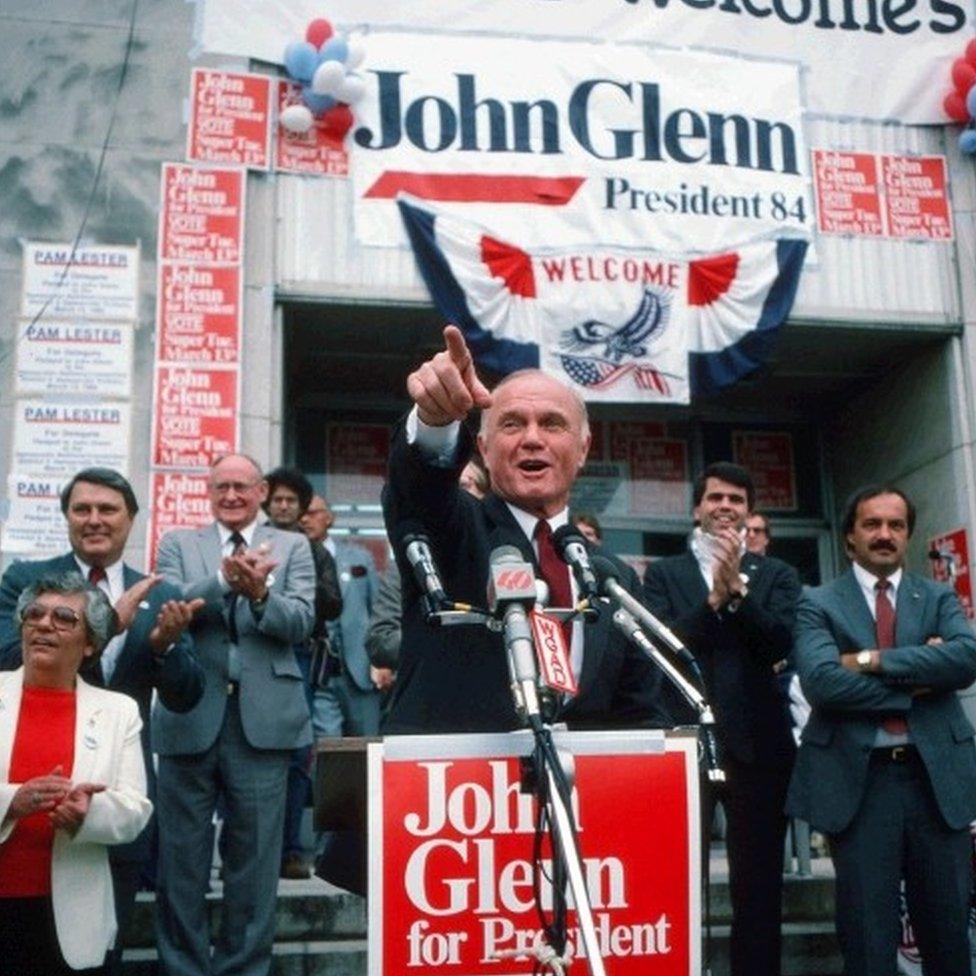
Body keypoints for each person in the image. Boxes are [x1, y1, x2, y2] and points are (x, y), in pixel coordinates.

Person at [381, 325, 674, 734]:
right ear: (483, 449)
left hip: (577, 791)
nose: (532, 439)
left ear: (583, 449)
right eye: (512, 425)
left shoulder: (611, 578)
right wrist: (435, 420)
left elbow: (640, 711)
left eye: (552, 424)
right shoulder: (457, 531)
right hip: (460, 791)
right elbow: (418, 491)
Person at [0, 467, 203, 971]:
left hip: (109, 805)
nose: (94, 519)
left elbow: (186, 696)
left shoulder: (158, 591)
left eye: (107, 509)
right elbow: (10, 657)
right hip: (16, 810)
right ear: (67, 517)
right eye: (82, 509)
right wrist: (109, 623)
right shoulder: (26, 581)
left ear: (131, 519)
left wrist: (163, 647)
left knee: (92, 953)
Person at [786, 484, 976, 976]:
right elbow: (823, 682)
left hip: (936, 782)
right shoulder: (818, 602)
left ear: (908, 535)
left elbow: (965, 659)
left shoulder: (935, 596)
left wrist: (869, 661)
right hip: (861, 783)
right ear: (850, 537)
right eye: (872, 524)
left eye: (895, 525)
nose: (884, 535)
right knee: (868, 939)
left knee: (950, 934)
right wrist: (919, 680)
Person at [152, 454, 316, 976]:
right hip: (189, 713)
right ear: (209, 491)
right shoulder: (179, 542)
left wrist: (262, 593)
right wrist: (224, 583)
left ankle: (244, 968)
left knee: (255, 862)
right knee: (181, 860)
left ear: (261, 490)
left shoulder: (293, 545)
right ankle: (182, 967)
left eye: (241, 487)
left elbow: (303, 621)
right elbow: (170, 600)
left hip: (264, 722)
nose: (231, 496)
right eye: (221, 486)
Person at [642, 462, 800, 976]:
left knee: (757, 887)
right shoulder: (664, 574)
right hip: (684, 743)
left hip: (760, 750)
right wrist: (713, 601)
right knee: (673, 877)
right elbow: (662, 647)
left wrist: (738, 593)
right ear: (697, 508)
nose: (726, 506)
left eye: (736, 499)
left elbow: (779, 641)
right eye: (716, 498)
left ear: (749, 512)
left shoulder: (775, 575)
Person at [0, 572, 152, 975]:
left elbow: (135, 809)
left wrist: (89, 813)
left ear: (90, 644)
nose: (44, 624)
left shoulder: (118, 711)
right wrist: (9, 801)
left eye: (64, 617)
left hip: (70, 913)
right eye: (35, 614)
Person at [263, 468, 343, 880]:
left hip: (299, 656)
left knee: (297, 756)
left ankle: (291, 849)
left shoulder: (315, 552)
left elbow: (333, 605)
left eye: (291, 501)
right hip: (259, 654)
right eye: (276, 499)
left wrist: (300, 585)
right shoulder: (252, 542)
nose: (283, 506)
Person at [365, 459, 491, 672]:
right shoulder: (412, 561)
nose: (452, 496)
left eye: (463, 486)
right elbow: (380, 641)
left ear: (484, 496)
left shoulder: (503, 556)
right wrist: (446, 642)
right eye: (444, 489)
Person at [303, 496, 391, 738]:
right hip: (317, 670)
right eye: (302, 513)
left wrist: (382, 661)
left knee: (367, 746)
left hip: (359, 668)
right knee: (326, 746)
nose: (304, 518)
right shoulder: (296, 559)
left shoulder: (358, 557)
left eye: (312, 512)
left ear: (329, 518)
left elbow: (377, 608)